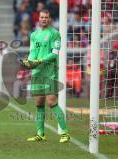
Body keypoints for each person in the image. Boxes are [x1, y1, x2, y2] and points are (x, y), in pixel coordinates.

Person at [22, 9, 70, 143]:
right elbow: (32, 52)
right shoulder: (34, 35)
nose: (44, 19)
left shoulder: (55, 34)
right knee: (39, 102)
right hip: (37, 72)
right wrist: (30, 62)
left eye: (46, 17)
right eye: (42, 17)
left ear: (49, 19)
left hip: (50, 72)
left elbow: (55, 53)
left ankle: (65, 133)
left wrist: (41, 61)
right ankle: (40, 133)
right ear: (39, 19)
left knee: (52, 101)